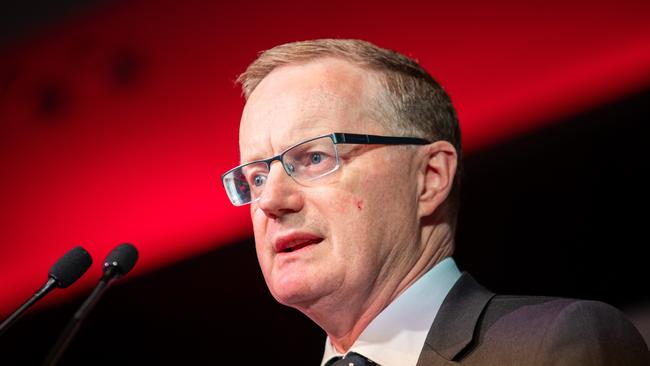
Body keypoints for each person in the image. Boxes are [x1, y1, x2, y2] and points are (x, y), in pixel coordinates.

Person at [221, 39, 649, 366]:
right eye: (256, 177)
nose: (271, 200)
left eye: (314, 157)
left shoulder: (551, 346)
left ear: (430, 178)